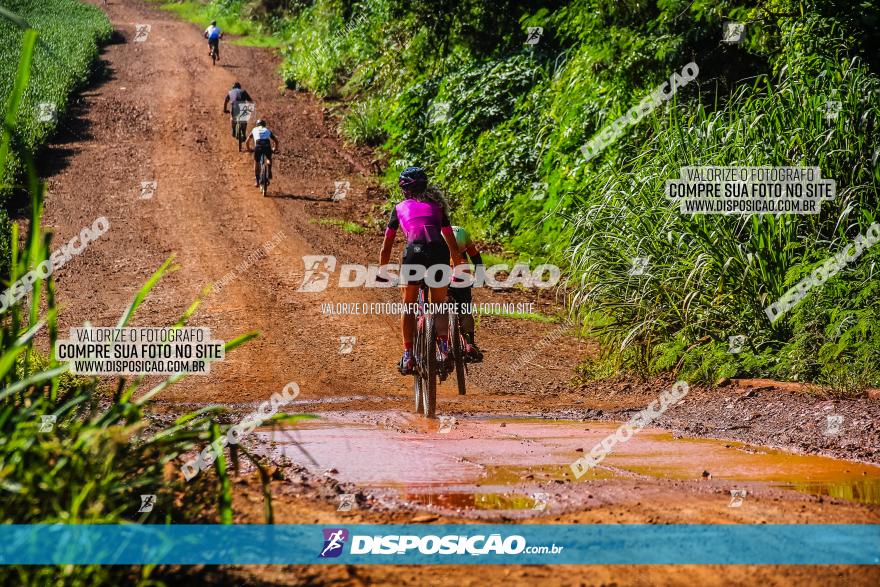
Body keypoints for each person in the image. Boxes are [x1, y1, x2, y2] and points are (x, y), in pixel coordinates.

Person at [379, 167, 462, 375]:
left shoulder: (398, 208)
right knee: (439, 305)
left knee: (408, 306)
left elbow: (386, 246)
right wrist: (457, 268)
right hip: (438, 251)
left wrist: (382, 270)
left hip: (414, 252)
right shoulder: (438, 207)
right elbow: (452, 244)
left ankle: (408, 355)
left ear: (404, 190)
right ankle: (443, 348)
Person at [448, 225, 484, 362]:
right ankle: (470, 343)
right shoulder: (462, 231)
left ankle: (440, 344)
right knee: (464, 309)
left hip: (440, 269)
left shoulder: (434, 230)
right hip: (461, 270)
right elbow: (475, 255)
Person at [244, 119, 279, 187]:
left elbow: (247, 142)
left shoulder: (254, 129)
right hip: (267, 145)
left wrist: (249, 149)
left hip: (258, 146)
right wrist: (275, 149)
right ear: (264, 125)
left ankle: (257, 181)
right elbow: (276, 141)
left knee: (256, 162)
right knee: (268, 158)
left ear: (257, 125)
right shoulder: (267, 130)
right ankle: (269, 169)